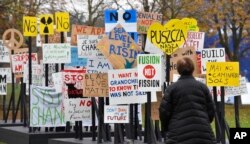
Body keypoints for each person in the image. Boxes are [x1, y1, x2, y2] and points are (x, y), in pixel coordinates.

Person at [159, 57, 216, 144]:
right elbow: (211, 111)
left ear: (178, 70)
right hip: (203, 133)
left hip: (177, 134)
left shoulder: (171, 89)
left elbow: (164, 112)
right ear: (193, 69)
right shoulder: (203, 87)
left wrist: (167, 128)